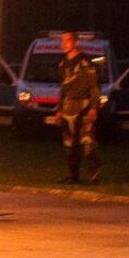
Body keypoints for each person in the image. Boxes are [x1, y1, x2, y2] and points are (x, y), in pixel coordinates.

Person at [53, 31, 102, 184]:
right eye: (62, 41)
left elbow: (94, 87)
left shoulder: (86, 62)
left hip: (84, 106)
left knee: (87, 142)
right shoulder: (63, 64)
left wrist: (94, 107)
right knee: (69, 144)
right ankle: (73, 176)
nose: (64, 44)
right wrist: (59, 110)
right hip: (68, 108)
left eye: (67, 40)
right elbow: (63, 88)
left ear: (75, 42)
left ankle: (94, 176)